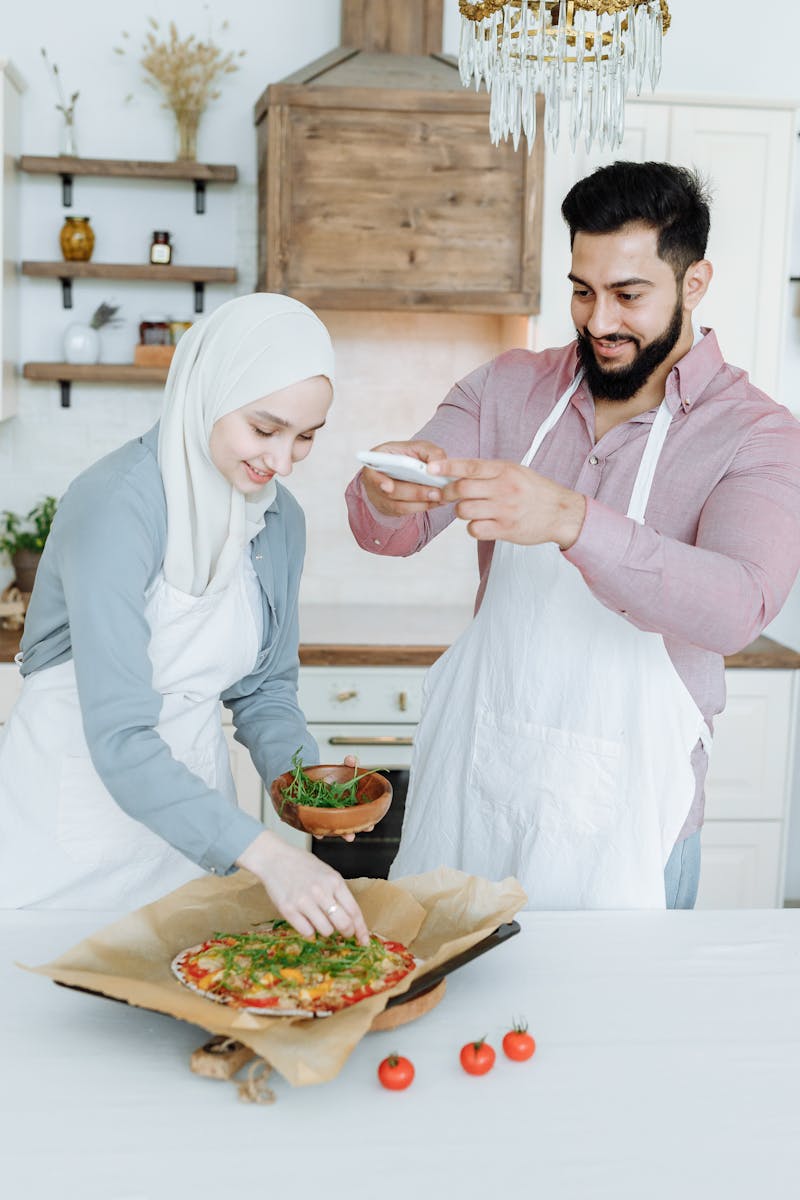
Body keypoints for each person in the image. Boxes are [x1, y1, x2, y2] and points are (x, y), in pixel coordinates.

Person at [345, 161, 800, 910]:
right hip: (479, 792)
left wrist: (571, 521)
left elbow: (736, 607)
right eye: (583, 291)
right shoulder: (508, 387)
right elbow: (390, 529)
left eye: (629, 295)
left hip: (631, 822)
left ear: (695, 282)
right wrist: (385, 491)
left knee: (613, 1025)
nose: (598, 321)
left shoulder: (758, 434)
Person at [0, 293, 369, 944]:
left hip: (196, 839)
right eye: (264, 428)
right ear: (209, 388)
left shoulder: (278, 520)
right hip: (70, 840)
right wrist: (266, 855)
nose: (281, 463)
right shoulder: (116, 505)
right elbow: (117, 736)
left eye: (305, 437)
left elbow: (264, 691)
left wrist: (307, 788)